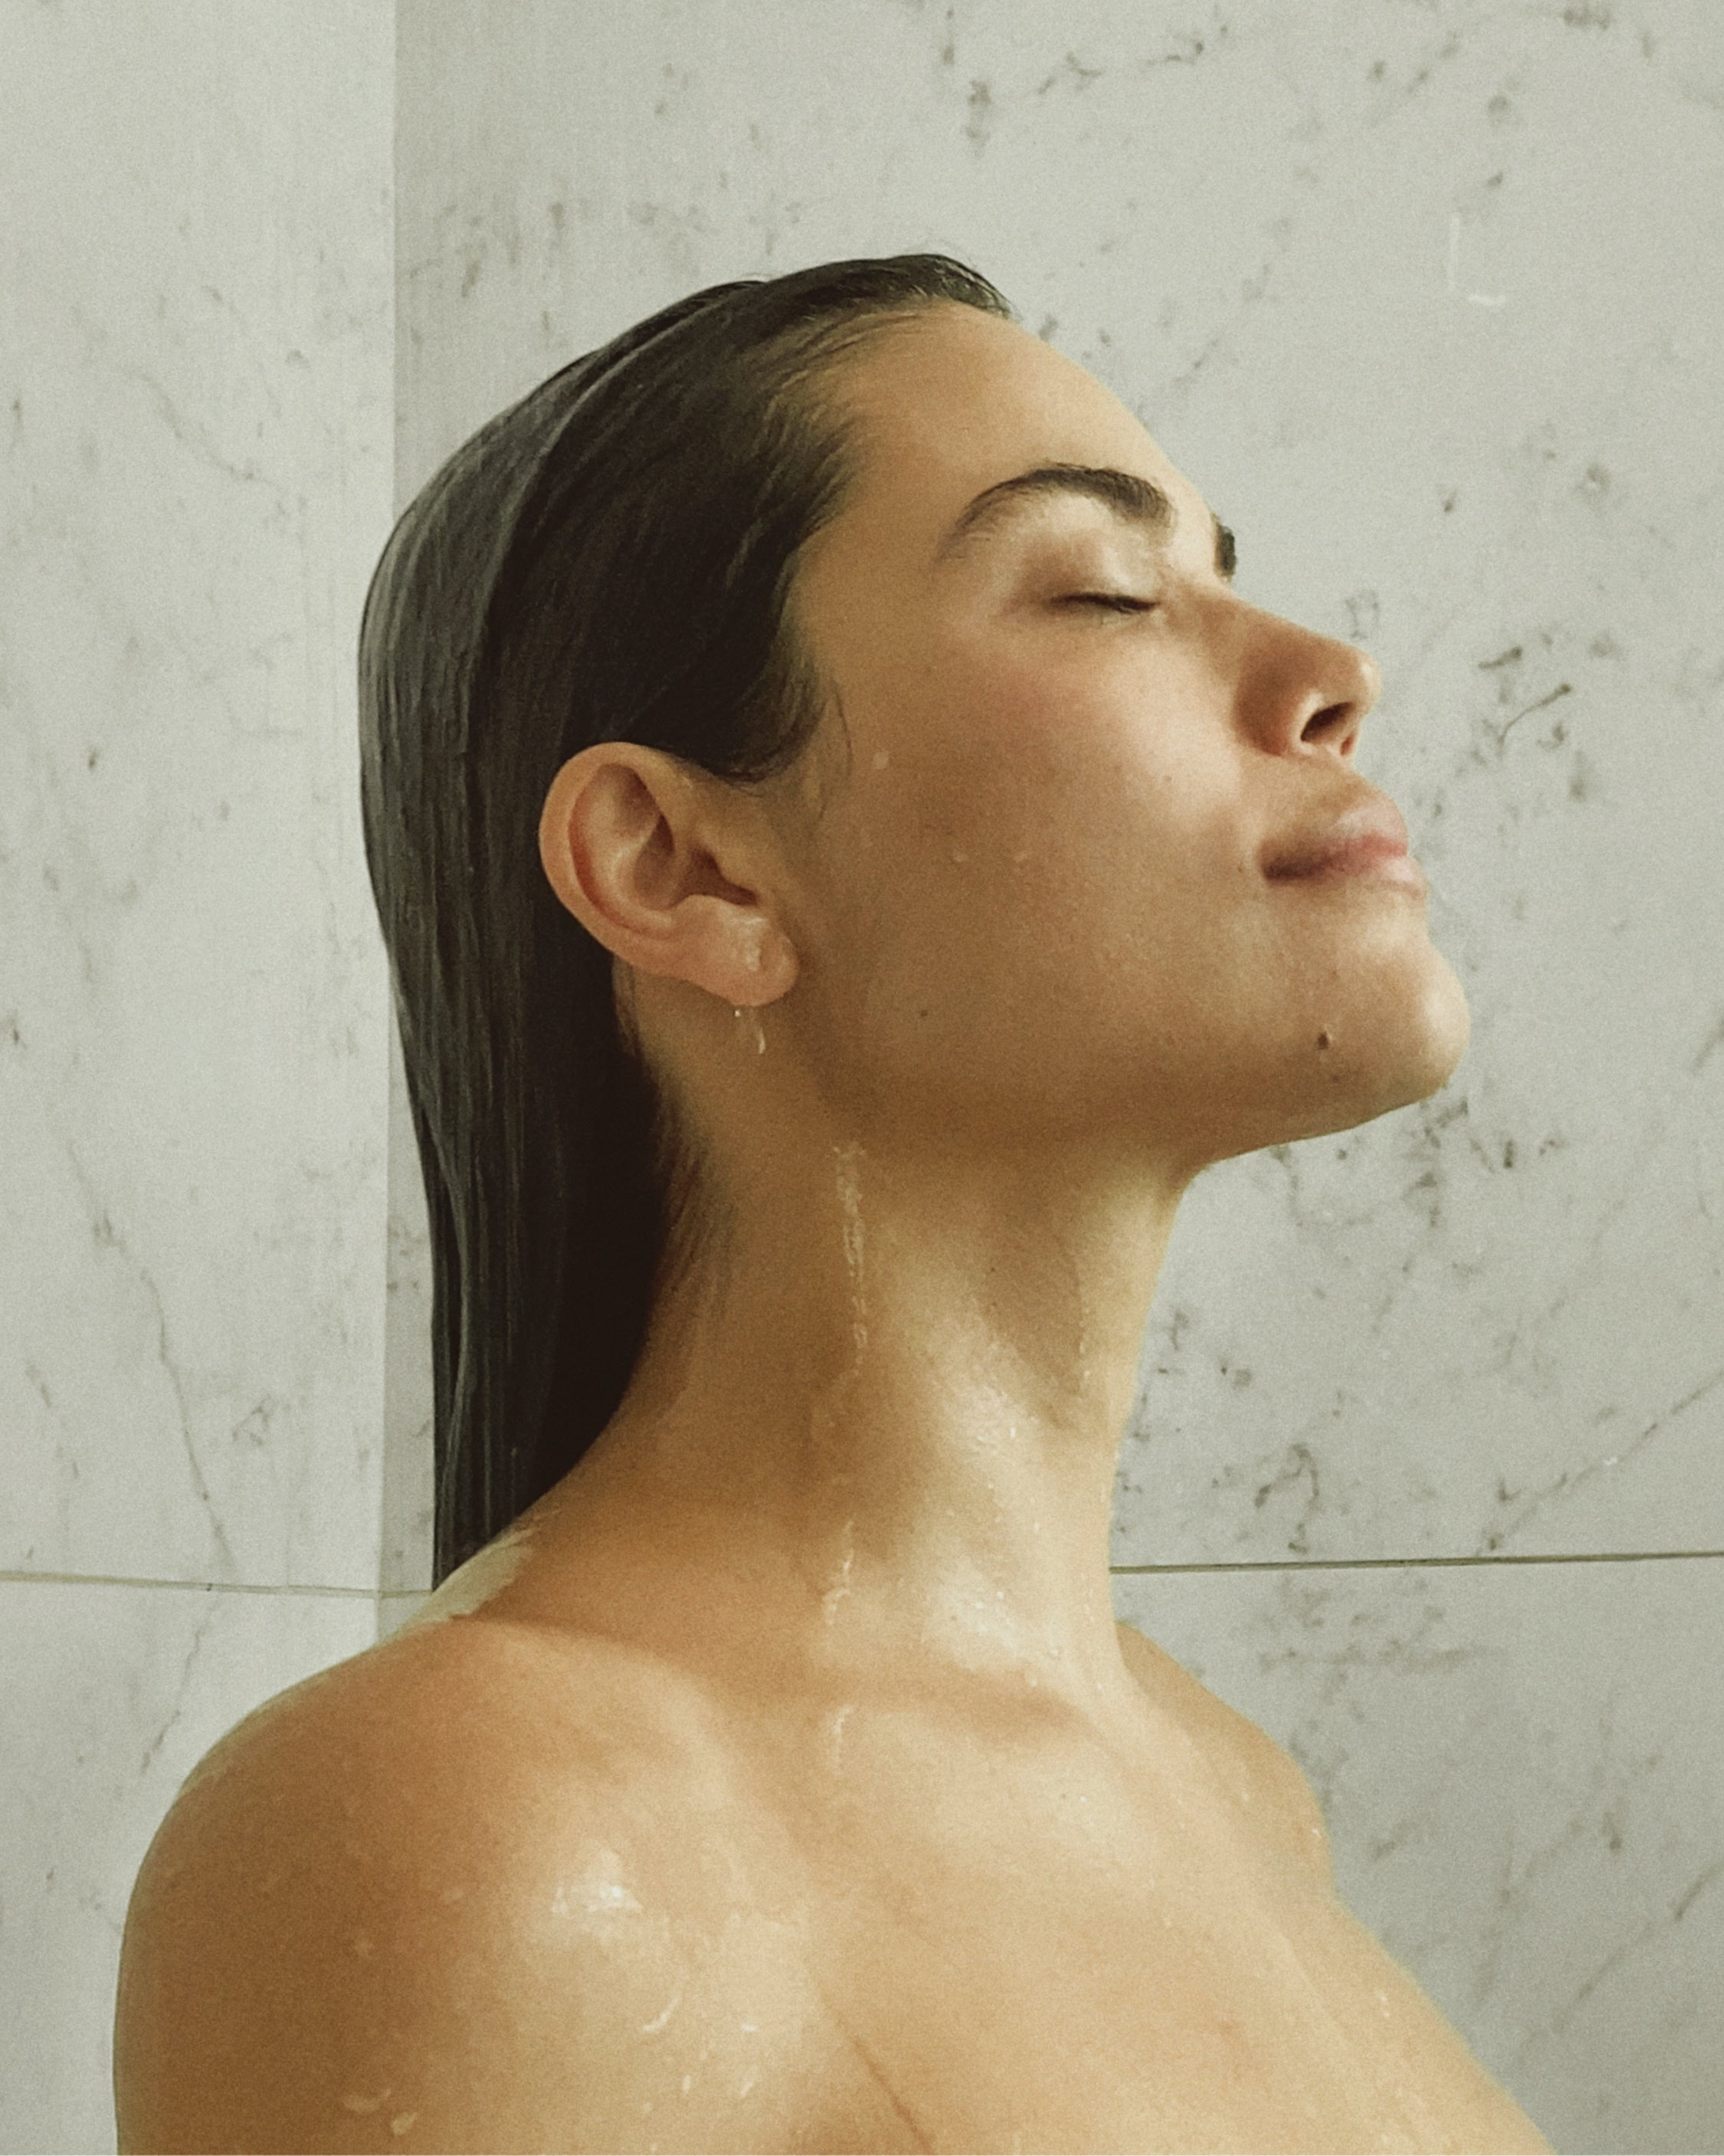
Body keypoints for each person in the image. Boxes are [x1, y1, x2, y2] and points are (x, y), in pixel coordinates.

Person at [113, 254, 1552, 2154]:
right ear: (684, 863)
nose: (1330, 677)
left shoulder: (1230, 1791)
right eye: (1107, 589)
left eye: (1220, 563)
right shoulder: (480, 1827)